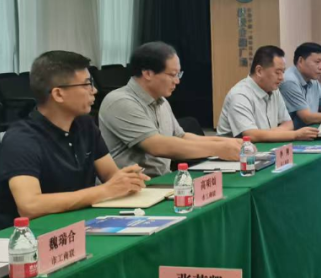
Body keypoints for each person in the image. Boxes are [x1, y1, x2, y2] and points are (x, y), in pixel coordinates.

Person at [0, 51, 151, 230]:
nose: (94, 90)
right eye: (87, 84)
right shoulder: (22, 139)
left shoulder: (85, 125)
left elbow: (110, 175)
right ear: (58, 94)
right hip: (25, 237)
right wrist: (104, 190)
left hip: (76, 226)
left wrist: (127, 180)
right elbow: (30, 206)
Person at [99, 42, 242, 177]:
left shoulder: (161, 101)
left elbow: (181, 137)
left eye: (179, 74)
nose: (177, 81)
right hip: (132, 186)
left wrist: (224, 142)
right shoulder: (120, 101)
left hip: (160, 181)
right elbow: (157, 146)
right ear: (148, 73)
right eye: (172, 75)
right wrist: (217, 149)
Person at [216, 45, 320, 142]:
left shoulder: (274, 89)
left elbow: (288, 123)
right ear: (259, 71)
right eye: (277, 72)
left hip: (263, 147)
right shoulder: (240, 95)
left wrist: (268, 134)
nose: (282, 78)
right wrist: (295, 135)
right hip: (236, 152)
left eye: (283, 72)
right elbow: (250, 135)